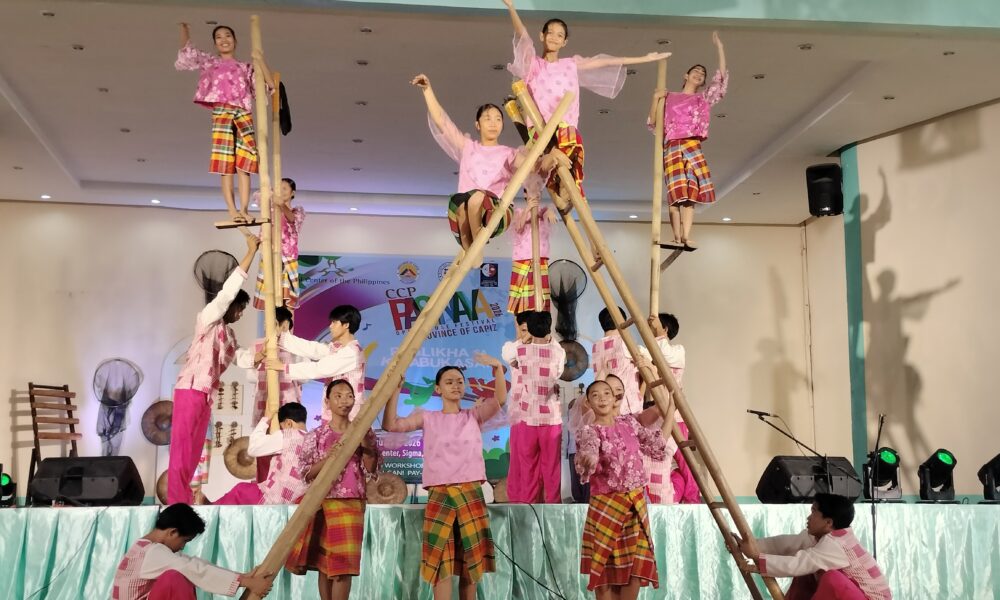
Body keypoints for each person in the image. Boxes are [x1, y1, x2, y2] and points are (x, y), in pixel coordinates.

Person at [503, 0, 669, 201]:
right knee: (555, 157)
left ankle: (562, 181)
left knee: (570, 153)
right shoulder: (534, 65)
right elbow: (523, 37)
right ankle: (553, 163)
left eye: (560, 35)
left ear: (564, 42)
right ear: (542, 36)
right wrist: (511, 8)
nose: (554, 37)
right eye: (550, 33)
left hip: (565, 130)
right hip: (540, 129)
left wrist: (646, 58)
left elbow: (605, 61)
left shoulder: (571, 64)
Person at [383, 354, 507, 600]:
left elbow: (500, 400)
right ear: (438, 389)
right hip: (441, 494)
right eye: (449, 382)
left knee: (471, 562)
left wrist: (497, 369)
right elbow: (391, 425)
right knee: (441, 561)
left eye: (459, 381)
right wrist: (394, 391)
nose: (455, 385)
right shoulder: (428, 417)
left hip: (470, 492)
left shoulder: (473, 415)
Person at [412, 73, 558, 252]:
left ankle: (478, 244)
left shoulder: (508, 154)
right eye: (487, 118)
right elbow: (442, 122)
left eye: (498, 119)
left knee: (477, 198)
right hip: (465, 212)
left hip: (497, 214)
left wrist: (550, 156)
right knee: (462, 203)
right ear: (477, 125)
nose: (493, 123)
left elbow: (533, 166)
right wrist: (427, 90)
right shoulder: (467, 147)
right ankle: (471, 249)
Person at [168, 235, 259, 504]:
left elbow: (243, 358)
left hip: (204, 396)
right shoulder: (208, 318)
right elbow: (227, 292)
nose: (240, 314)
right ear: (229, 306)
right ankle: (176, 502)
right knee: (182, 449)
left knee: (194, 451)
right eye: (239, 309)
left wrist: (262, 354)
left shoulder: (228, 335)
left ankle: (184, 499)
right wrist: (250, 253)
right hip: (190, 389)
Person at [285, 380, 380, 600]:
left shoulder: (363, 433)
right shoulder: (317, 435)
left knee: (343, 566)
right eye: (338, 395)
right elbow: (305, 474)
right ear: (327, 401)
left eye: (349, 396)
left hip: (351, 503)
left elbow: (371, 469)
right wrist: (330, 458)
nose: (344, 400)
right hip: (322, 502)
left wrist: (367, 447)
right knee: (325, 565)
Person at [575, 380, 669, 599]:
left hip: (635, 506)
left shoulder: (629, 423)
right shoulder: (589, 431)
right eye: (595, 395)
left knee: (635, 568)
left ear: (615, 398)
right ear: (588, 403)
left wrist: (671, 411)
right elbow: (588, 453)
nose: (602, 398)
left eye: (606, 393)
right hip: (607, 507)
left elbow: (656, 444)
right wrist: (588, 461)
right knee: (605, 569)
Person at [175, 23, 274, 223]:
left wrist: (259, 59)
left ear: (235, 40)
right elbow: (187, 54)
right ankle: (232, 210)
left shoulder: (246, 67)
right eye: (218, 37)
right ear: (215, 43)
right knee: (225, 165)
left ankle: (244, 210)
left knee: (244, 165)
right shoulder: (210, 62)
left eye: (227, 35)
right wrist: (184, 28)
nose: (224, 40)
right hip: (222, 113)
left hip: (243, 113)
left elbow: (269, 86)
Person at [648, 32, 727, 249]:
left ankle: (685, 236)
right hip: (673, 144)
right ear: (686, 75)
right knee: (676, 193)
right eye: (696, 71)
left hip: (692, 144)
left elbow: (720, 80)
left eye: (702, 73)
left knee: (691, 192)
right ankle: (676, 236)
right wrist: (655, 99)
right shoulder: (670, 97)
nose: (699, 74)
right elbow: (653, 122)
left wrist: (720, 48)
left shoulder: (703, 99)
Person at [735, 494, 892, 600]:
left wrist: (756, 556)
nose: (809, 517)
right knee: (807, 570)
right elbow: (785, 544)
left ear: (828, 522)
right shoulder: (818, 537)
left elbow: (798, 564)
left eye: (814, 512)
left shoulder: (837, 543)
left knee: (830, 577)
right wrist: (750, 546)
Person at [111, 503, 273, 599]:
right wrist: (248, 583)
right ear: (172, 532)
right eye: (184, 541)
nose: (182, 547)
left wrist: (243, 577)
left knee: (184, 570)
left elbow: (192, 563)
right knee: (175, 577)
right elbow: (192, 568)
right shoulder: (153, 552)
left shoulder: (144, 546)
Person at [506, 311, 565, 503]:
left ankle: (529, 506)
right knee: (551, 467)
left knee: (528, 466)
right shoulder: (558, 352)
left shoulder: (520, 351)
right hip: (551, 418)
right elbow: (559, 372)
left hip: (527, 417)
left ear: (529, 329)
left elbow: (509, 357)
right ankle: (553, 506)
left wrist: (525, 338)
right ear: (549, 327)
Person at [275, 305, 366, 421]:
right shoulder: (337, 348)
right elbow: (313, 349)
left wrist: (284, 368)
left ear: (346, 325)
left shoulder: (352, 352)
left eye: (334, 322)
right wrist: (282, 338)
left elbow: (320, 368)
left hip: (348, 411)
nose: (330, 326)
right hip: (336, 406)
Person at [210, 402, 308, 505]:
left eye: (281, 427)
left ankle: (213, 508)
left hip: (279, 498)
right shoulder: (311, 439)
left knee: (241, 490)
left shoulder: (288, 435)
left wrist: (266, 419)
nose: (281, 430)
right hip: (299, 497)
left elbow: (253, 448)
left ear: (288, 423)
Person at [648, 313, 698, 503]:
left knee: (685, 463)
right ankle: (669, 497)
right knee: (659, 462)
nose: (650, 330)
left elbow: (665, 356)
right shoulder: (652, 351)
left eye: (655, 326)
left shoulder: (678, 351)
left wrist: (658, 333)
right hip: (656, 415)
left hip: (675, 416)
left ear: (665, 329)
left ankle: (692, 500)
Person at [252, 178, 305, 309]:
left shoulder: (297, 211)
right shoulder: (270, 208)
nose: (281, 191)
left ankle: (286, 320)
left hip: (287, 256)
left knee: (287, 297)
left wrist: (281, 204)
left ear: (293, 193)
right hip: (269, 253)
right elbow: (257, 195)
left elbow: (292, 219)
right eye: (279, 188)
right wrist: (271, 193)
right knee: (269, 294)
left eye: (285, 188)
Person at [508, 196, 556, 314]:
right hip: (522, 258)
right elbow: (518, 227)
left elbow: (550, 216)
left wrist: (550, 211)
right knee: (520, 297)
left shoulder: (544, 210)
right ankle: (521, 321)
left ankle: (540, 320)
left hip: (541, 258)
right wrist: (528, 209)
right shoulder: (519, 212)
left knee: (541, 294)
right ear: (525, 194)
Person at [591, 307, 643, 414]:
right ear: (621, 321)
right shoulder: (625, 343)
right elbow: (647, 359)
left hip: (605, 405)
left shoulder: (595, 346)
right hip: (626, 405)